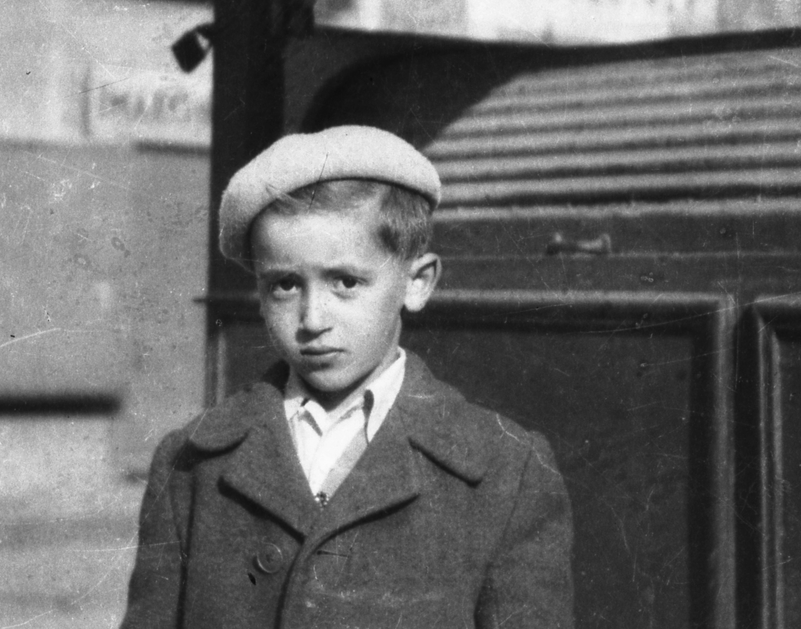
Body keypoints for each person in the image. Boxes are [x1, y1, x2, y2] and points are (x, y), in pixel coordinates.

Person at [120, 125, 574, 629]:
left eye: (346, 282)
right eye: (285, 285)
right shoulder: (191, 464)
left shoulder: (505, 470)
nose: (313, 319)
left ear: (417, 282)